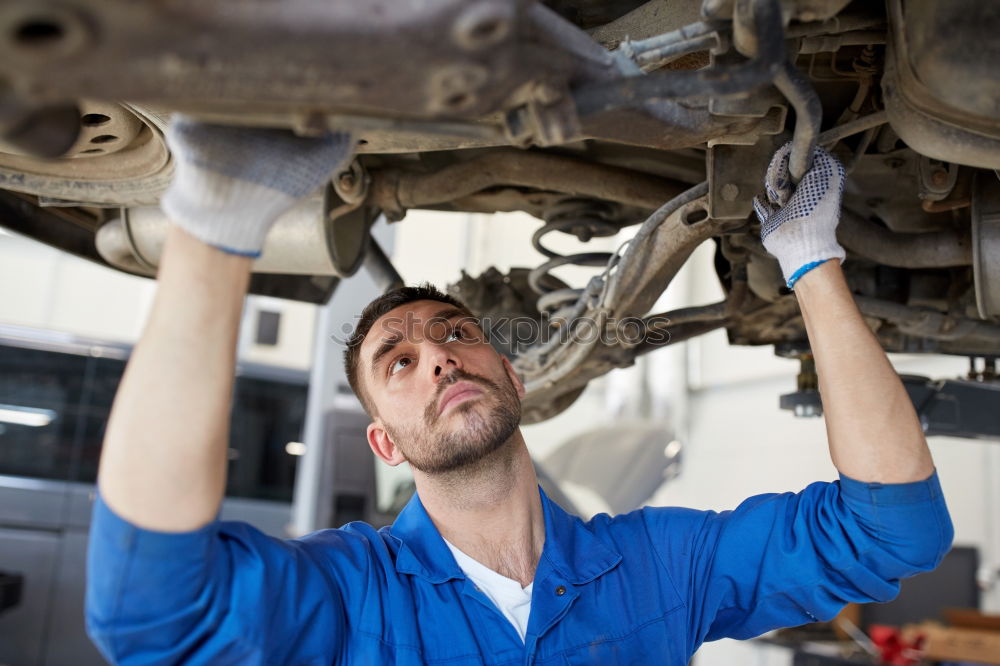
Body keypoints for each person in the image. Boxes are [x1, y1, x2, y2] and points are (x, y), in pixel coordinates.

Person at [85, 118, 953, 665]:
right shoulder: (354, 597)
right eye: (397, 361)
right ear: (383, 441)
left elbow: (894, 531)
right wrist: (217, 221)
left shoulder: (660, 568)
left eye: (457, 335)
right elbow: (152, 617)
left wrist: (811, 262)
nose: (436, 358)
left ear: (517, 376)